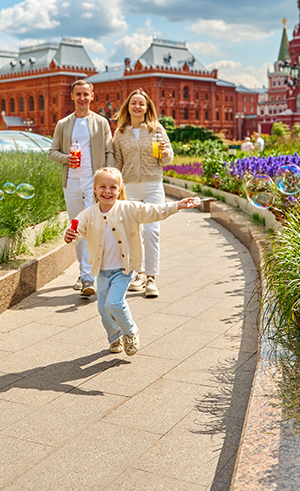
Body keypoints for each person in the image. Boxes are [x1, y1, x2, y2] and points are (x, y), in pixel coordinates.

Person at [64, 168, 200, 355]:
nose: (107, 191)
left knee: (113, 303)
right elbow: (76, 230)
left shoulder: (128, 209)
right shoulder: (88, 213)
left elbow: (154, 211)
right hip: (102, 271)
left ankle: (131, 331)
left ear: (120, 189)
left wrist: (177, 205)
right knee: (103, 309)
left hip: (123, 270)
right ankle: (114, 337)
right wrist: (70, 235)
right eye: (102, 186)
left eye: (113, 187)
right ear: (94, 189)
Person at [48, 79, 115, 298]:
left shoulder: (101, 123)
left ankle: (88, 277)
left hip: (92, 182)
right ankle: (82, 272)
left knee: (91, 225)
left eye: (86, 94)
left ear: (92, 96)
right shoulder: (63, 124)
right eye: (78, 94)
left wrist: (108, 179)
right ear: (72, 96)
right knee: (76, 227)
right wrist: (66, 158)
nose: (82, 98)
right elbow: (52, 152)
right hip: (71, 182)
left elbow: (109, 151)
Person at [112, 89, 173, 298]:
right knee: (133, 233)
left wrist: (165, 153)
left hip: (153, 185)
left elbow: (168, 159)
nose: (137, 106)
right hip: (129, 188)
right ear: (128, 107)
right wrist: (114, 188)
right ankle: (139, 274)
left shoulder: (156, 129)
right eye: (134, 103)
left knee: (151, 231)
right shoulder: (120, 133)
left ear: (147, 108)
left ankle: (151, 278)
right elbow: (116, 163)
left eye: (141, 104)